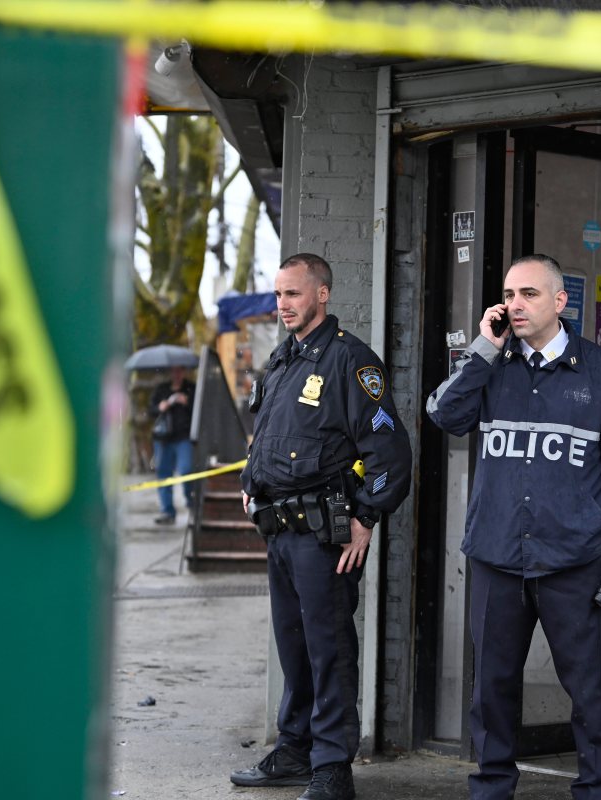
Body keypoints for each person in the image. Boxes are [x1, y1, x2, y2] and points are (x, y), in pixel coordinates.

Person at [426, 254, 601, 800]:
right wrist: (482, 348)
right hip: (497, 556)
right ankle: (492, 788)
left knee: (588, 689)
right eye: (508, 294)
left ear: (560, 301)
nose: (514, 304)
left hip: (573, 560)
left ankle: (598, 790)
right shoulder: (490, 365)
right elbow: (441, 414)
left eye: (528, 293)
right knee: (492, 689)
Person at [230, 253, 412, 800]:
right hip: (280, 531)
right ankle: (295, 749)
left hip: (322, 536)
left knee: (328, 648)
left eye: (293, 294)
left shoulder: (350, 361)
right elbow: (266, 436)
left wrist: (365, 516)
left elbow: (391, 453)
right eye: (278, 295)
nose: (282, 305)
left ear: (323, 294)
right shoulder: (283, 359)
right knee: (294, 647)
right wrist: (249, 479)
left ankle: (332, 767)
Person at [149, 364, 195, 525]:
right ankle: (167, 510)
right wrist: (161, 406)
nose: (176, 374)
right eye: (173, 370)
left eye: (179, 370)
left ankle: (191, 501)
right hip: (163, 439)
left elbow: (199, 409)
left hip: (183, 437)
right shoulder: (162, 389)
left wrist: (186, 403)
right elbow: (151, 410)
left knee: (187, 470)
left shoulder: (190, 388)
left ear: (183, 371)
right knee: (163, 473)